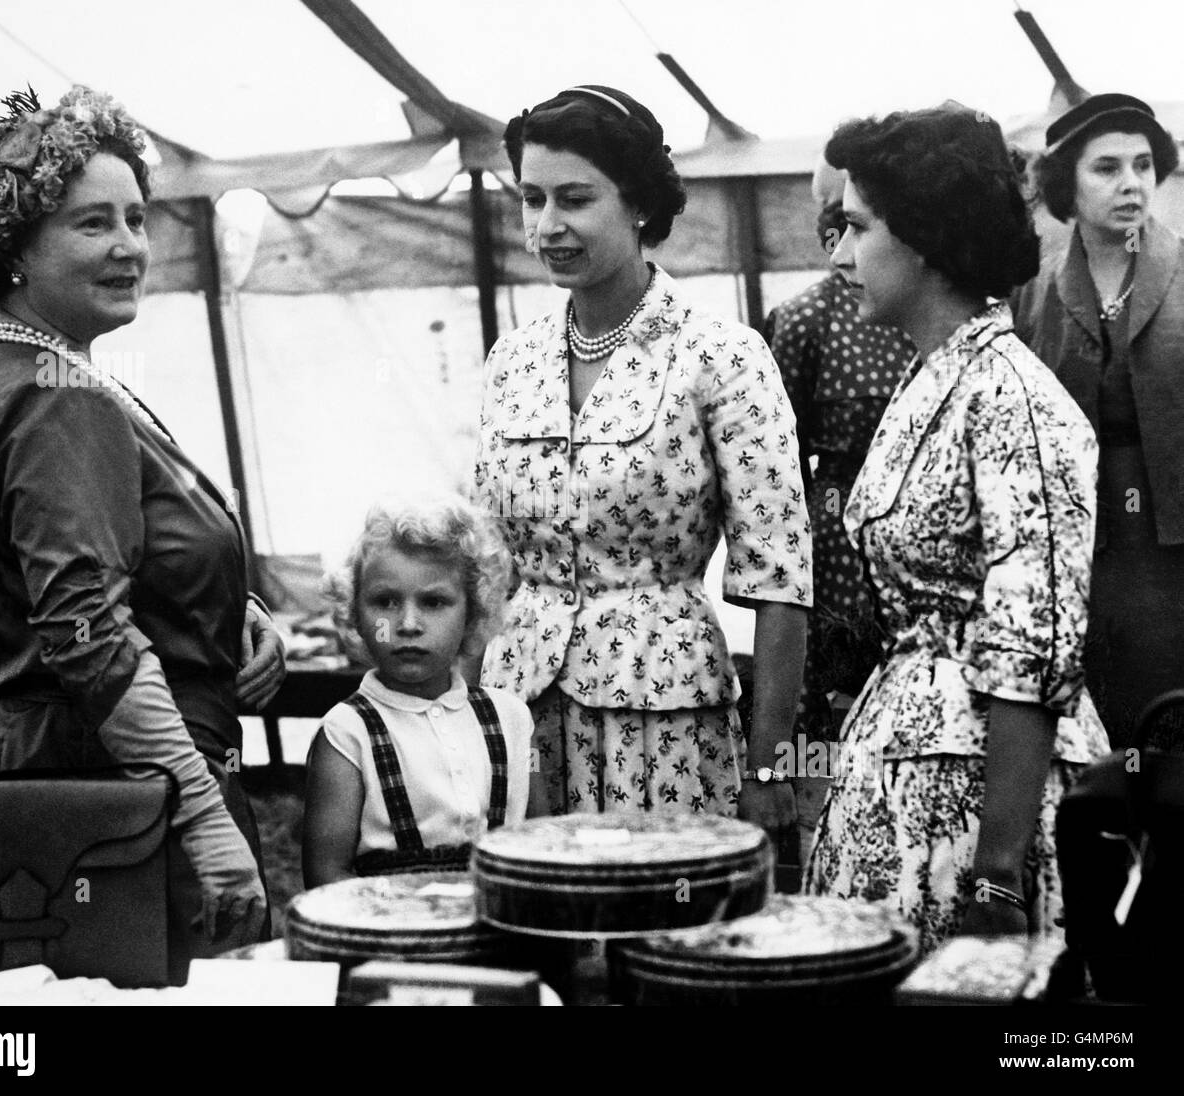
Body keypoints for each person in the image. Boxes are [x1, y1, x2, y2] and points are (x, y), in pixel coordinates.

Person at [0, 86, 286, 957]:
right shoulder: (58, 399)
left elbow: (49, 584)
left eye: (137, 218)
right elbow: (86, 633)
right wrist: (205, 824)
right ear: (16, 244)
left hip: (75, 777)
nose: (130, 246)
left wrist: (217, 612)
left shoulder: (22, 373)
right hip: (122, 794)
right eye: (93, 223)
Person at [800, 105, 1110, 951]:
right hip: (906, 789)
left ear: (928, 238)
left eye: (857, 227)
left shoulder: (1013, 400)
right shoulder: (936, 374)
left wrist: (998, 880)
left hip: (978, 818)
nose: (838, 255)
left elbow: (1033, 653)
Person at [474, 86, 810, 829]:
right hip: (520, 719)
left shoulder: (721, 356)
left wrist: (768, 764)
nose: (548, 226)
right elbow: (485, 563)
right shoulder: (511, 361)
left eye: (575, 199)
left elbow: (781, 579)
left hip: (664, 725)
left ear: (638, 204)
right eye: (532, 199)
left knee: (664, 925)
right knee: (536, 930)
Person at [1013, 93, 1184, 748]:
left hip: (1174, 552)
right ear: (1067, 184)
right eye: (1106, 168)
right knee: (1102, 732)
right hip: (1082, 548)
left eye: (1142, 165)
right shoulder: (1035, 288)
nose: (1130, 184)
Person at [302, 497, 537, 885]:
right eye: (385, 603)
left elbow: (540, 842)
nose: (407, 624)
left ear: (473, 613)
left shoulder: (513, 720)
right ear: (356, 616)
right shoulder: (346, 734)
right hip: (395, 935)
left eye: (434, 602)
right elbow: (326, 874)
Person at [765, 160, 915, 745]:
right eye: (840, 229)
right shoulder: (805, 318)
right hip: (834, 519)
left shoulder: (918, 307)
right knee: (841, 695)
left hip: (917, 505)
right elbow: (778, 460)